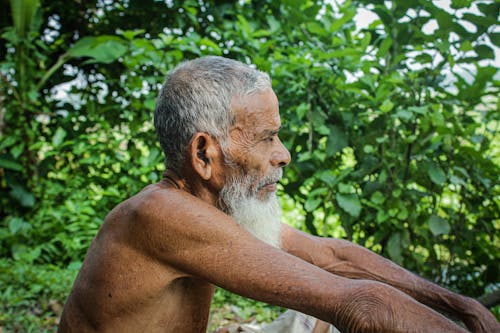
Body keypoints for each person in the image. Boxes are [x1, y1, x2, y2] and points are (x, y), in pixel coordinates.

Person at [58, 56, 499, 333]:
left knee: (313, 315)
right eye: (267, 138)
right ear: (204, 153)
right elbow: (362, 304)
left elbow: (332, 258)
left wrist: (461, 304)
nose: (283, 155)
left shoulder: (210, 203)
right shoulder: (160, 215)